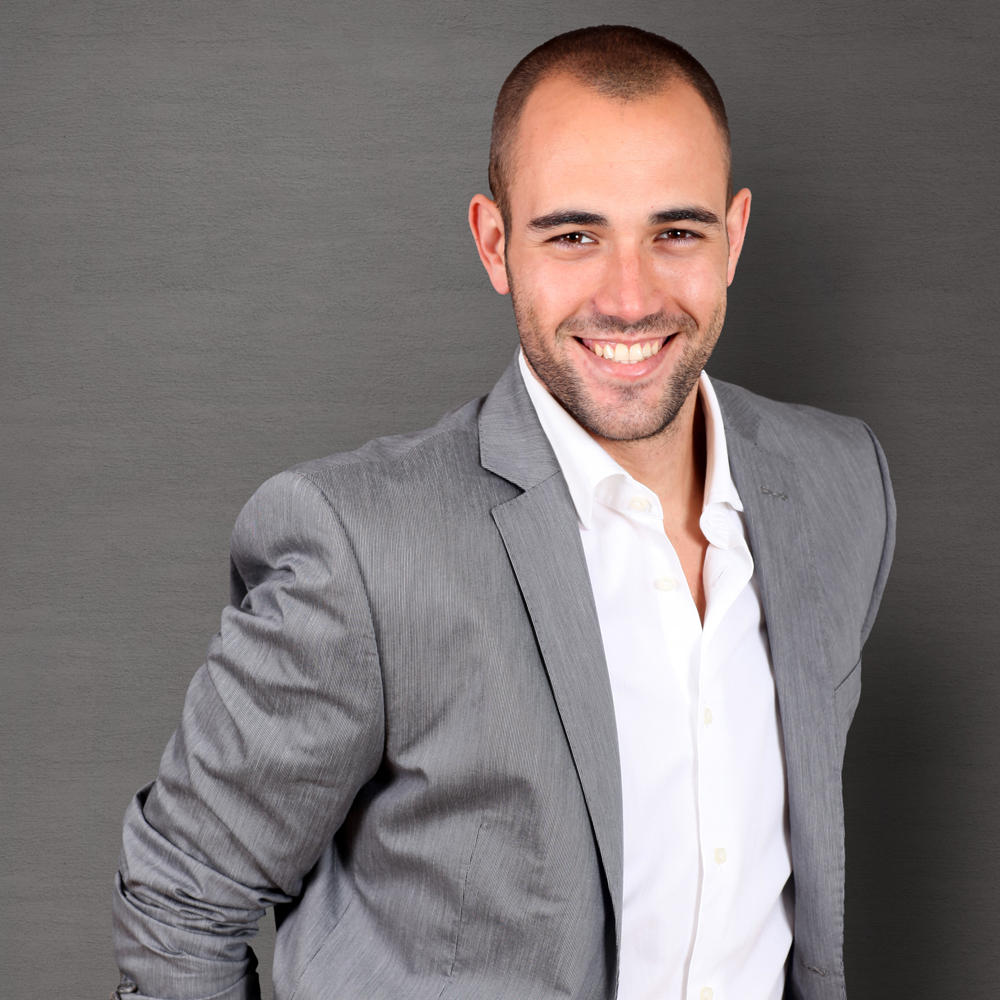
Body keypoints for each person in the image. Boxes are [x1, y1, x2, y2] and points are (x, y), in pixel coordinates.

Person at [112, 25, 894, 1000]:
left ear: (732, 236)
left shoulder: (840, 487)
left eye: (675, 233)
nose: (629, 297)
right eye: (573, 235)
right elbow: (181, 898)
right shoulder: (362, 550)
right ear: (495, 243)